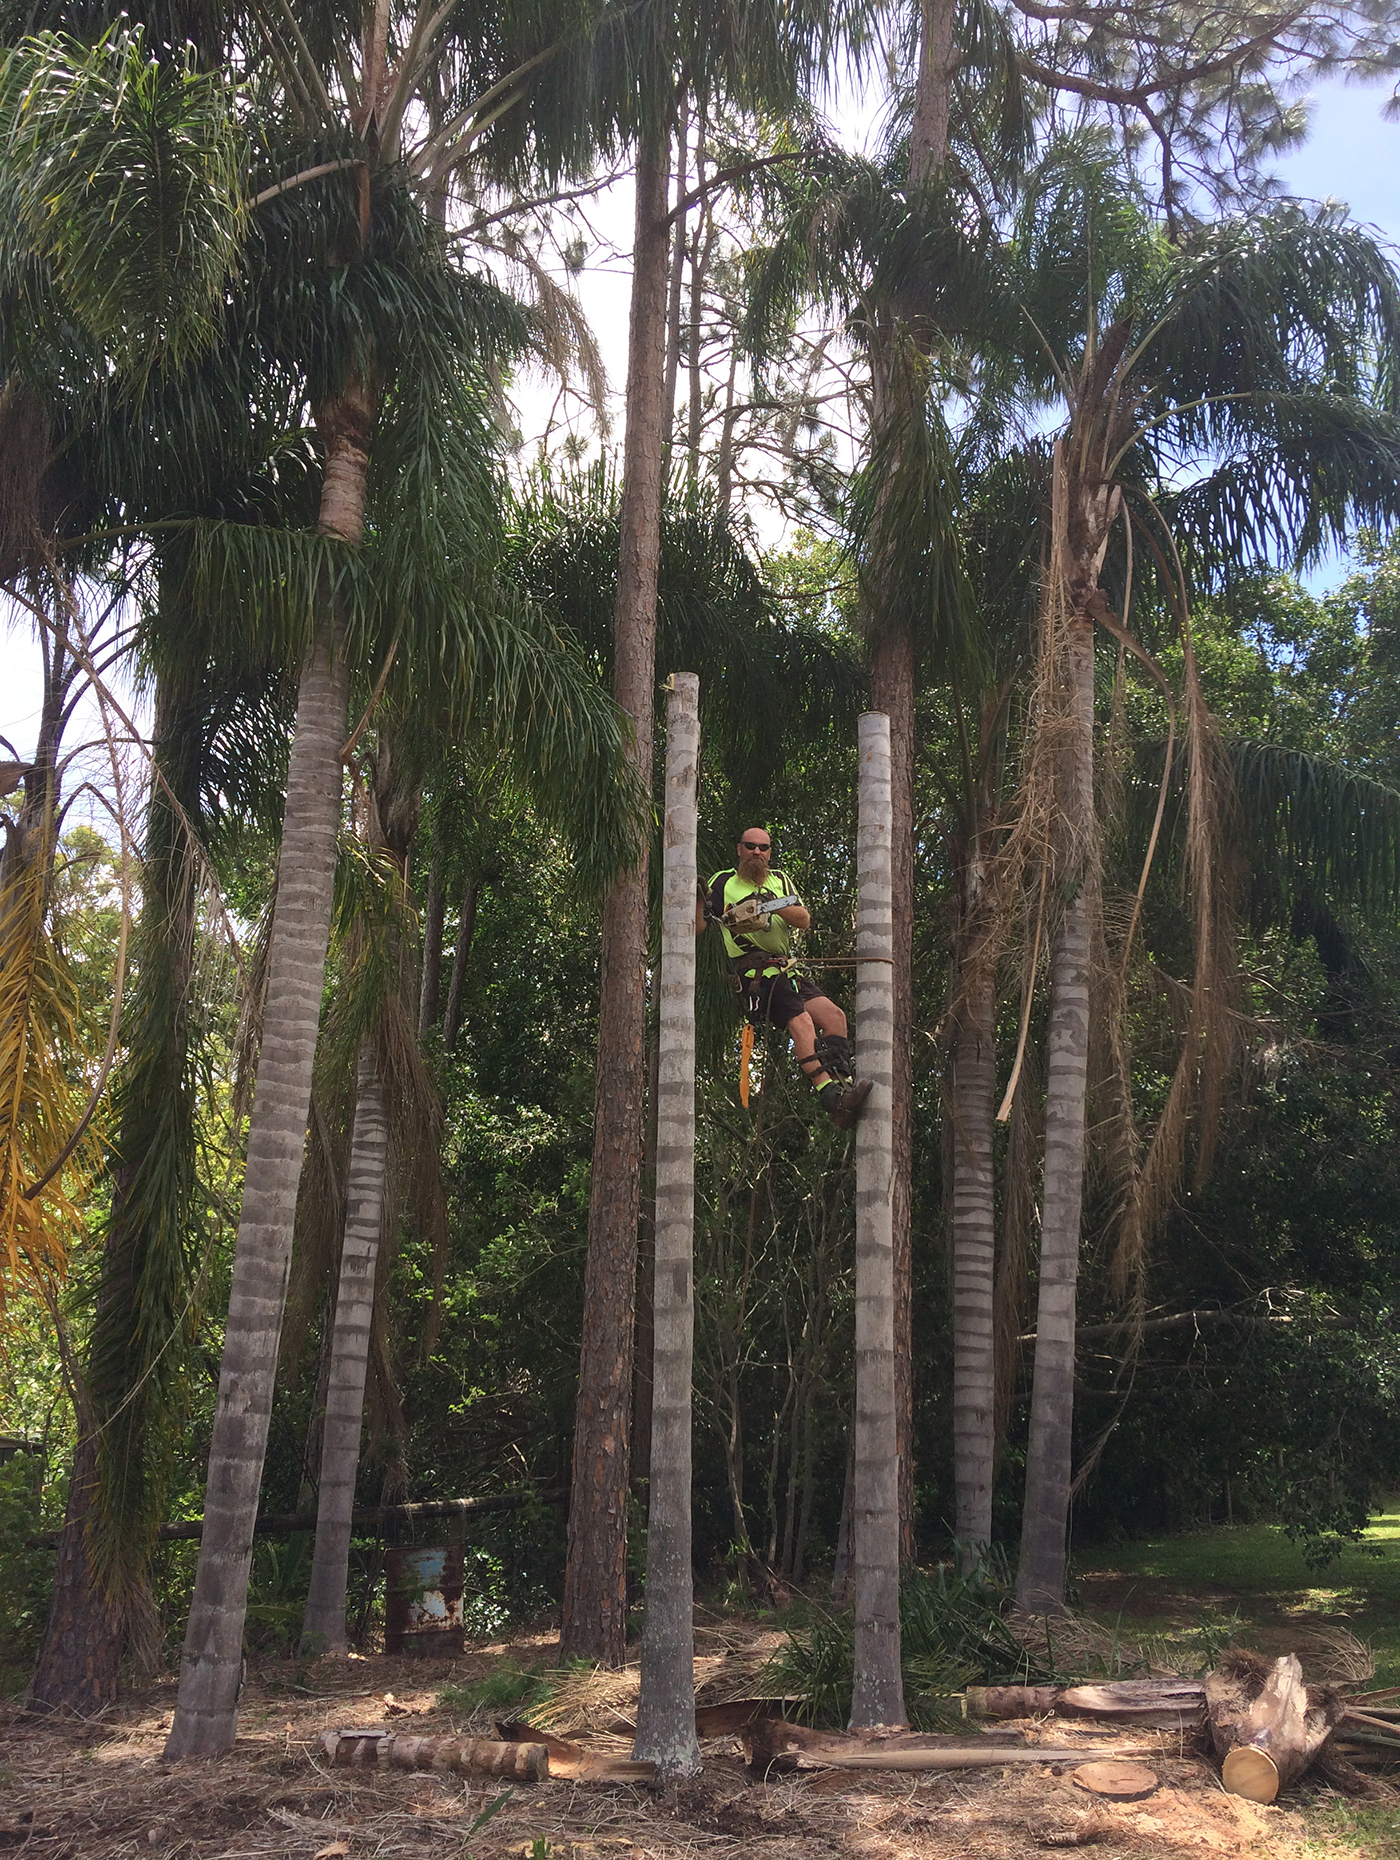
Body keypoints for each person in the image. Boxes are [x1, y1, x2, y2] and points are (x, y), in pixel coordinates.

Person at [699, 828, 872, 1129]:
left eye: (763, 848)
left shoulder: (779, 880)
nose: (757, 853)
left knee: (834, 1016)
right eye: (750, 846)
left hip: (785, 968)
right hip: (755, 971)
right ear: (739, 849)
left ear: (769, 852)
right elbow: (700, 928)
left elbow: (804, 919)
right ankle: (828, 1094)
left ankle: (843, 1087)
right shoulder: (723, 881)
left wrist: (773, 904)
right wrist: (699, 901)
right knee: (801, 1022)